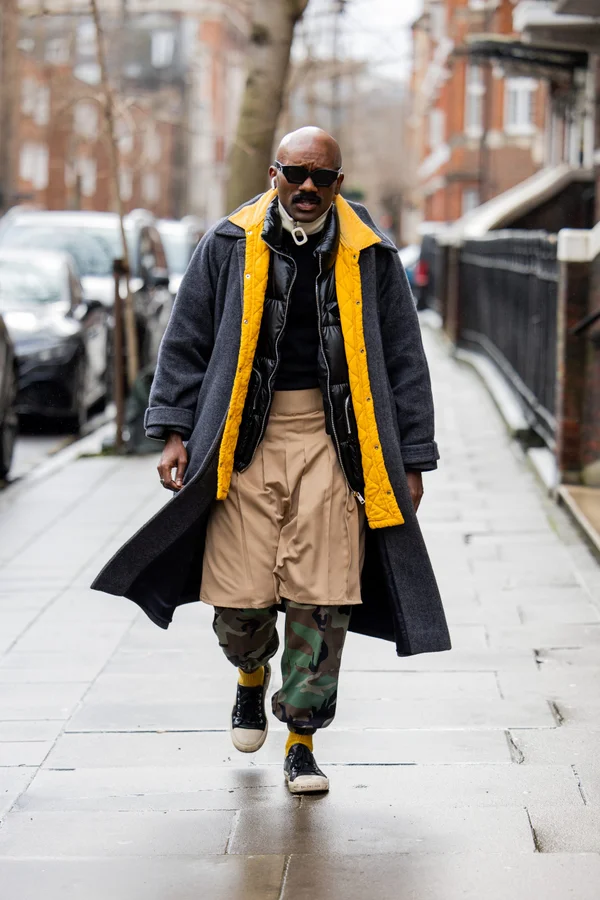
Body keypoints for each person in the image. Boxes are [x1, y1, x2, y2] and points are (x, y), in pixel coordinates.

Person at [93, 126, 451, 795]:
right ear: (273, 173)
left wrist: (414, 458)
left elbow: (405, 358)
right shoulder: (229, 241)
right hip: (241, 439)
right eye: (296, 174)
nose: (308, 188)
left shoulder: (370, 253)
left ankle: (301, 742)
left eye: (322, 177)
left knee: (324, 598)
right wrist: (172, 430)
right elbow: (186, 337)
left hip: (337, 440)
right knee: (239, 601)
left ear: (339, 183)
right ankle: (251, 674)